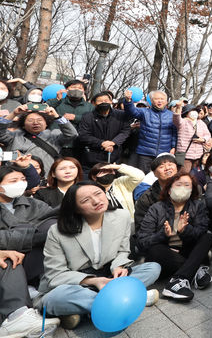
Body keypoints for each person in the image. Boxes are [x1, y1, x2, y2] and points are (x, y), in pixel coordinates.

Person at [40, 182, 160, 329]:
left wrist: (119, 266)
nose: (96, 201)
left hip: (109, 275)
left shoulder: (121, 216)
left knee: (153, 268)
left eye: (98, 193)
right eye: (85, 200)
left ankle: (86, 310)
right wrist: (94, 281)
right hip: (78, 282)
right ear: (76, 209)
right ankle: (129, 299)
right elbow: (55, 275)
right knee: (53, 299)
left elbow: (123, 251)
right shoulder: (57, 231)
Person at [0, 164, 60, 335]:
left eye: (23, 179)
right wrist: (31, 235)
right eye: (13, 180)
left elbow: (51, 224)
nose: (20, 183)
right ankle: (16, 315)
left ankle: (42, 296)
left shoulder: (33, 204)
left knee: (54, 227)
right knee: (9, 258)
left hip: (35, 261)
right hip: (9, 264)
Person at [137, 172, 212, 301]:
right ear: (169, 189)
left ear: (192, 189)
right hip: (166, 254)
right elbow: (142, 241)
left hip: (187, 250)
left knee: (207, 236)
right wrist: (163, 235)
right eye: (178, 184)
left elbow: (201, 230)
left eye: (187, 185)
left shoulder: (197, 205)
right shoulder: (156, 208)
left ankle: (178, 280)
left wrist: (185, 230)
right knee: (155, 249)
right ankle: (195, 271)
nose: (182, 188)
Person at [0, 105, 78, 174]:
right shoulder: (14, 136)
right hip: (19, 176)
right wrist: (13, 114)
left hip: (46, 175)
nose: (35, 123)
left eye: (40, 120)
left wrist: (57, 116)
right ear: (23, 125)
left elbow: (72, 134)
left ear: (46, 124)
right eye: (30, 120)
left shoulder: (54, 135)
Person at [124, 89, 177, 174]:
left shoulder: (172, 115)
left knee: (161, 175)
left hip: (164, 152)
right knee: (143, 176)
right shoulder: (145, 112)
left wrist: (173, 147)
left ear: (166, 101)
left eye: (162, 99)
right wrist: (128, 100)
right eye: (156, 99)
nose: (159, 101)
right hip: (145, 152)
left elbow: (174, 132)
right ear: (151, 101)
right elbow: (131, 111)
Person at [77, 91, 131, 172]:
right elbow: (84, 135)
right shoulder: (87, 117)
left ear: (111, 102)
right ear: (94, 103)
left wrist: (113, 142)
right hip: (92, 156)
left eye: (106, 100)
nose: (103, 102)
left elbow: (125, 131)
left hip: (114, 155)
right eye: (100, 101)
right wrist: (101, 143)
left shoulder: (121, 115)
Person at [133, 154, 179, 229]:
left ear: (177, 168)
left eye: (170, 164)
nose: (167, 168)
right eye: (161, 167)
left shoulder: (191, 189)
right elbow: (142, 228)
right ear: (154, 173)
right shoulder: (147, 198)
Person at [172, 103, 212, 173]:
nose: (194, 112)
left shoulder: (201, 123)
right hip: (185, 155)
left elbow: (207, 134)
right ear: (186, 113)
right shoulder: (183, 122)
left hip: (198, 155)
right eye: (191, 110)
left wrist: (203, 139)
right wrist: (178, 108)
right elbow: (176, 119)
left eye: (195, 110)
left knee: (196, 175)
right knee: (184, 173)